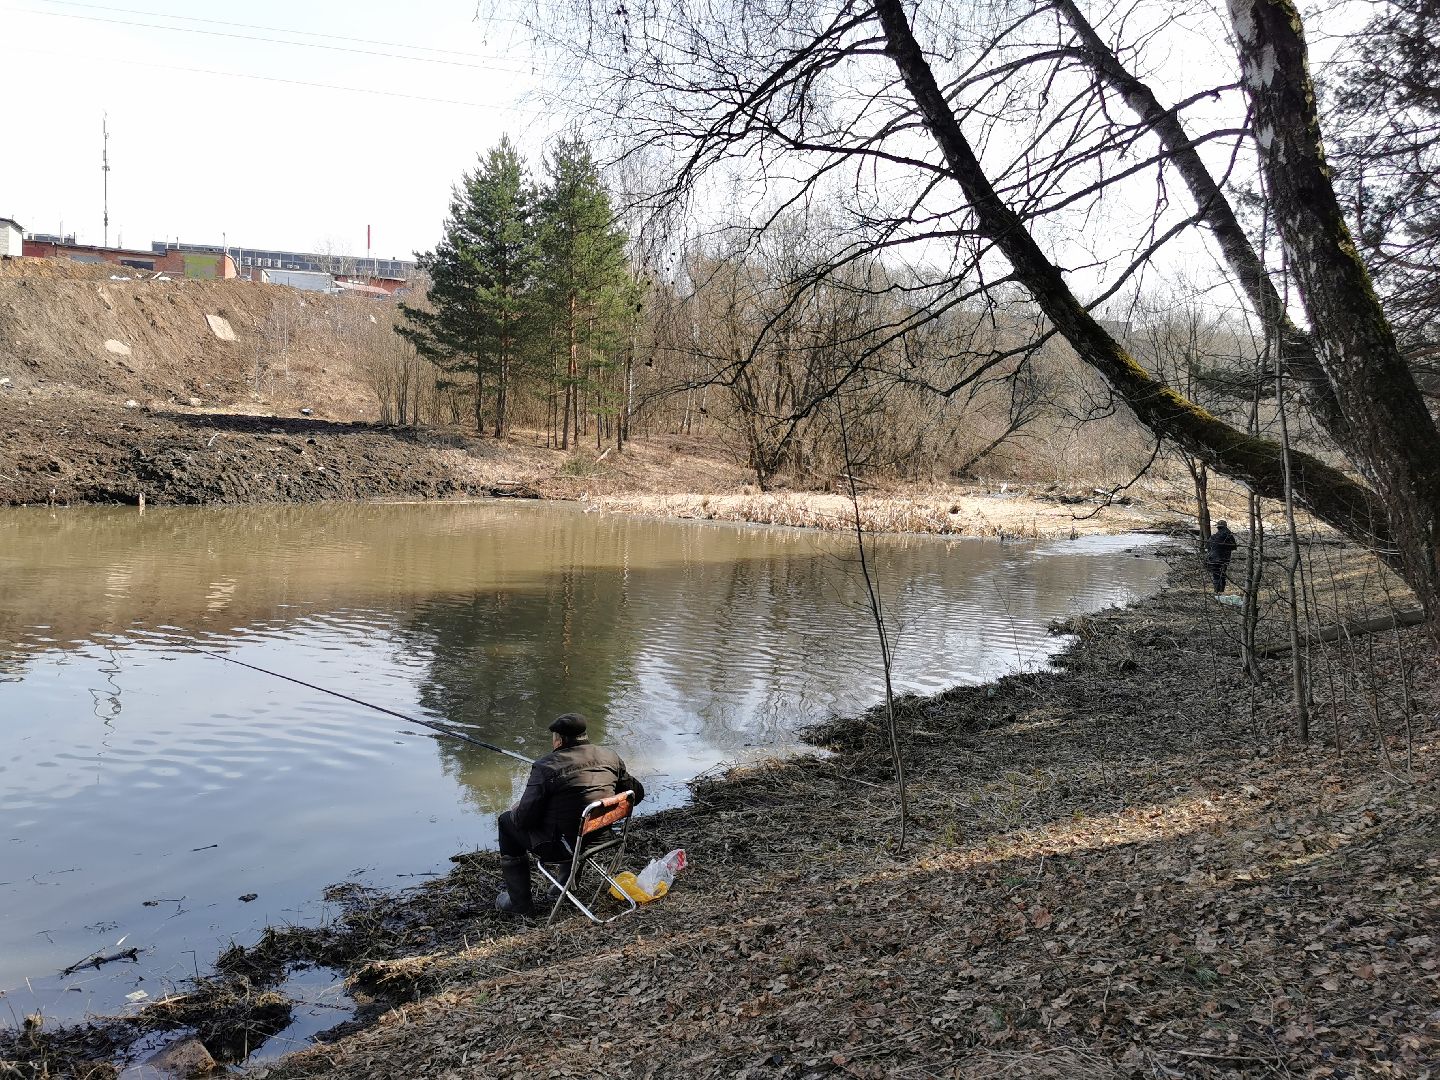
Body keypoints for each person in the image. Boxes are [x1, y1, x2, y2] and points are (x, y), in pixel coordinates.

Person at [494, 712, 645, 915]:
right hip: (601, 838)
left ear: (559, 740)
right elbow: (637, 793)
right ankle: (563, 888)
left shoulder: (545, 767)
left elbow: (523, 820)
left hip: (563, 847)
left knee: (506, 822)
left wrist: (516, 808)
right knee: (574, 817)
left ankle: (519, 904)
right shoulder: (610, 757)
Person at [1206, 520, 1239, 593]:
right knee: (1222, 574)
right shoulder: (1229, 535)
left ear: (1218, 527)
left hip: (1213, 558)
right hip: (1224, 559)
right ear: (1225, 526)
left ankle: (1217, 592)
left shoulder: (1213, 537)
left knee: (1216, 575)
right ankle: (1220, 592)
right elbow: (1234, 547)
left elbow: (1207, 546)